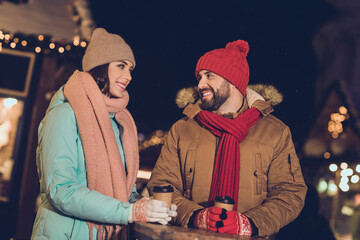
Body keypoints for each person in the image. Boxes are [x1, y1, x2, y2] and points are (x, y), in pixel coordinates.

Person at [147, 40, 307, 237]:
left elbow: (291, 193)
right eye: (199, 77)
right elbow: (161, 185)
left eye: (209, 76)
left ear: (233, 81)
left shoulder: (275, 132)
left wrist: (249, 223)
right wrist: (195, 216)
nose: (200, 84)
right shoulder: (182, 129)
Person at [31, 28, 176, 240]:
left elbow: (122, 194)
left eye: (131, 69)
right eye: (121, 66)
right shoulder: (64, 115)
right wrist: (129, 212)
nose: (128, 76)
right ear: (100, 67)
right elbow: (61, 191)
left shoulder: (119, 123)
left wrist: (145, 206)